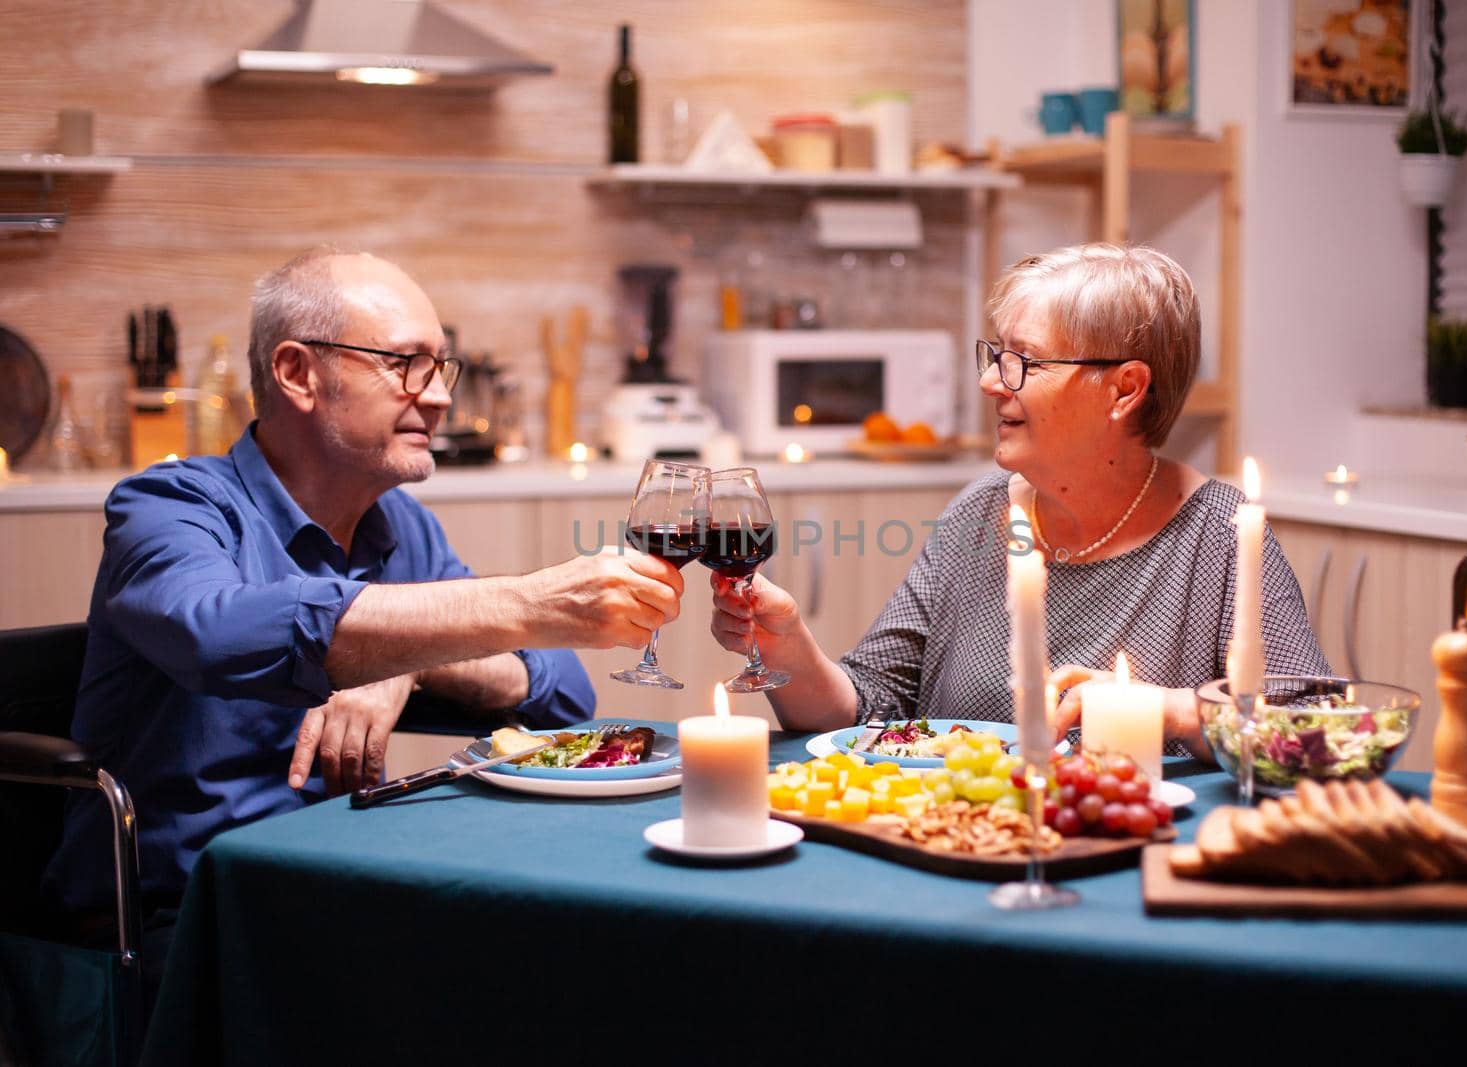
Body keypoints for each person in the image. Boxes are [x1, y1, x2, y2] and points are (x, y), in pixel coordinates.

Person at [45, 249, 684, 922]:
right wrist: (524, 604)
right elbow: (218, 634)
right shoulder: (169, 504)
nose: (438, 395)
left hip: (333, 887)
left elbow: (560, 695)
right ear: (298, 373)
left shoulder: (400, 526)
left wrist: (408, 670)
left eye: (440, 367)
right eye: (405, 364)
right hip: (175, 921)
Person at [710, 243, 1329, 756]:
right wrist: (786, 644)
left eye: (1024, 362)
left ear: (1124, 389)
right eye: (997, 356)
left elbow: (1321, 736)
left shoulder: (1220, 533)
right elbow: (870, 708)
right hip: (958, 851)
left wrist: (1174, 710)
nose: (989, 382)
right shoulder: (981, 512)